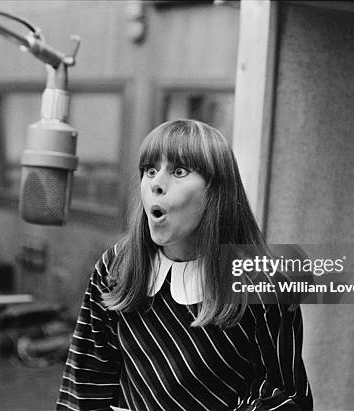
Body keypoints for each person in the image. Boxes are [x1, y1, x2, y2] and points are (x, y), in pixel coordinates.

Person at [57, 119, 312, 411]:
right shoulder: (116, 266)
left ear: (216, 191)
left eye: (178, 171)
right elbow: (85, 385)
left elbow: (286, 397)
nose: (156, 183)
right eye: (150, 170)